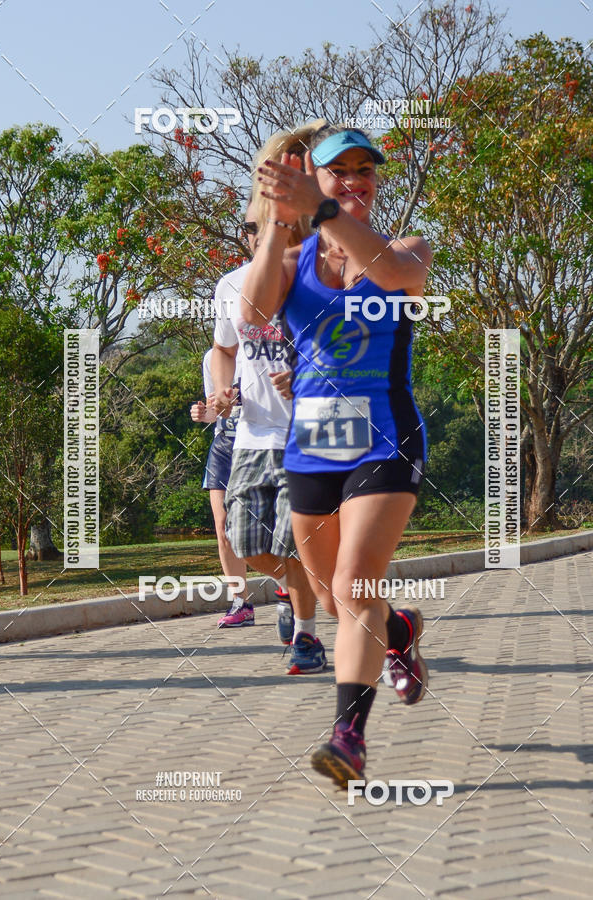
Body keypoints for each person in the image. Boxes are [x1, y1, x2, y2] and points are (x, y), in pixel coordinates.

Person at [241, 122, 433, 786]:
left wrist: (318, 208)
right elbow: (254, 310)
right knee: (330, 599)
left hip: (387, 439)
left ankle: (347, 734)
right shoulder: (292, 267)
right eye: (338, 172)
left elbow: (398, 274)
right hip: (313, 448)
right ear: (314, 179)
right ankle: (397, 629)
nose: (355, 182)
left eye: (365, 172)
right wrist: (278, 220)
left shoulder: (405, 248)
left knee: (354, 587)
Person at [212, 169, 327, 673]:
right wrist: (222, 391)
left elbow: (354, 349)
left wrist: (307, 372)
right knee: (246, 542)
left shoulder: (323, 272)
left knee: (297, 542)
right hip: (253, 434)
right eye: (254, 226)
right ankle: (292, 586)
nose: (262, 231)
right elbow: (223, 348)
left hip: (308, 434)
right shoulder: (231, 285)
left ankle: (307, 635)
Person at [190, 349, 248, 626]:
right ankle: (240, 602)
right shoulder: (211, 357)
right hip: (224, 444)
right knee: (223, 525)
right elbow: (215, 412)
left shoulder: (261, 347)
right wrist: (203, 414)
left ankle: (292, 590)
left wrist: (241, 397)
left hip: (259, 443)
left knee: (271, 525)